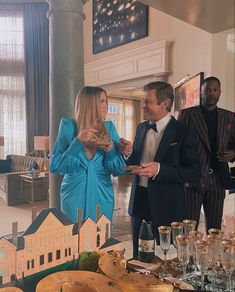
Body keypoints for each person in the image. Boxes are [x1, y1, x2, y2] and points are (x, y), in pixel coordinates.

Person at [120, 81, 201, 257]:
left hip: (167, 205)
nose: (143, 105)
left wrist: (159, 170)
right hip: (139, 202)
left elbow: (194, 172)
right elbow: (136, 160)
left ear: (164, 103)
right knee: (138, 255)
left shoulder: (184, 132)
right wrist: (128, 153)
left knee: (165, 258)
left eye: (147, 101)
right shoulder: (142, 127)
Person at [50, 86, 126, 223]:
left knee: (101, 237)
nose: (106, 105)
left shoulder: (109, 128)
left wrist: (110, 150)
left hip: (103, 191)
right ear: (89, 103)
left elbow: (118, 169)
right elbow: (56, 165)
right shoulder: (68, 126)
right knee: (74, 237)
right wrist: (77, 142)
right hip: (74, 192)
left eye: (106, 101)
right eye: (102, 101)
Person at [178, 76, 235, 232]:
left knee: (214, 230)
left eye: (215, 90)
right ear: (201, 92)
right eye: (208, 90)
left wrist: (233, 154)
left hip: (218, 179)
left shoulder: (229, 116)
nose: (211, 93)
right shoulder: (187, 115)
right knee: (189, 229)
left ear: (219, 92)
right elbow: (177, 146)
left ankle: (211, 256)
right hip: (193, 179)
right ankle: (188, 257)